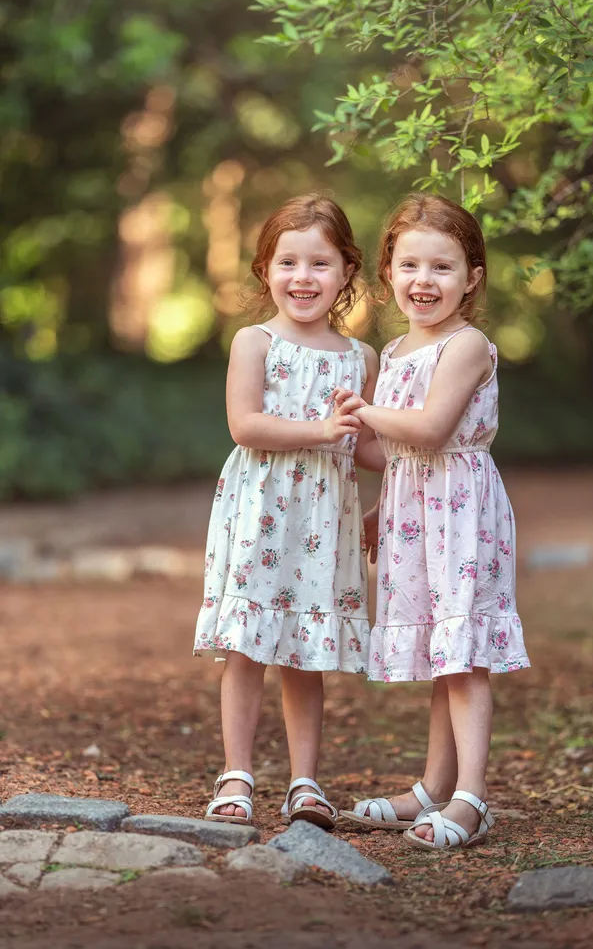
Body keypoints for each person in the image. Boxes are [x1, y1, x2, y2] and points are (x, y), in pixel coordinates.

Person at [335, 193, 530, 851]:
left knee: (464, 654)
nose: (424, 281)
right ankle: (431, 787)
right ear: (388, 271)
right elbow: (398, 452)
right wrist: (373, 503)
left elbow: (429, 428)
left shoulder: (467, 345)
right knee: (443, 653)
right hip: (416, 512)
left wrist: (359, 409)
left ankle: (471, 798)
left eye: (442, 268)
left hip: (461, 513)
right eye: (410, 264)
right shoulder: (393, 351)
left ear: (471, 278)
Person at [193, 194, 378, 830]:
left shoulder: (361, 358)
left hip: (325, 519)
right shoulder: (254, 341)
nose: (303, 277)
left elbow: (371, 445)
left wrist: (429, 447)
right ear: (265, 270)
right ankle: (236, 775)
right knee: (247, 645)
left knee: (306, 650)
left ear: (347, 271)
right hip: (263, 512)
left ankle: (306, 783)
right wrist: (325, 431)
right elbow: (245, 426)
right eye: (288, 262)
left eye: (320, 263)